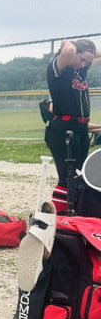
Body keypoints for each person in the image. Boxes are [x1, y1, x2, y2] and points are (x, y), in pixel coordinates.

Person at [45, 38, 100, 213]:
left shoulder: (80, 71)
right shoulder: (59, 69)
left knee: (80, 175)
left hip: (80, 127)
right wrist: (67, 42)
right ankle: (61, 217)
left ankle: (77, 211)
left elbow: (94, 55)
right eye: (82, 59)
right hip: (63, 129)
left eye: (88, 62)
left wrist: (88, 53)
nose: (84, 65)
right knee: (67, 177)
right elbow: (68, 52)